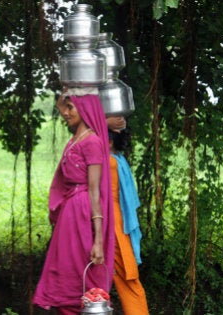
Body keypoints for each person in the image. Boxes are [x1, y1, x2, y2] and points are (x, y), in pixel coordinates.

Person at [32, 89, 115, 314]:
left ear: (85, 109)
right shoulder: (75, 138)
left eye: (71, 108)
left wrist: (98, 240)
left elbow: (96, 191)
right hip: (70, 215)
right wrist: (68, 89)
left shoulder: (92, 142)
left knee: (80, 275)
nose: (66, 113)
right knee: (65, 272)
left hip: (83, 215)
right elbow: (61, 105)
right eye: (66, 108)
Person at [107, 125, 149, 314]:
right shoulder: (119, 159)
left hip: (114, 227)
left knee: (128, 280)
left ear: (107, 142)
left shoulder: (109, 162)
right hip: (115, 224)